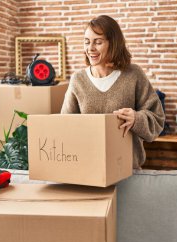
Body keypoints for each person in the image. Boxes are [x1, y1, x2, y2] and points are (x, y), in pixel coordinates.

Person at [61, 15, 165, 170]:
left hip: (128, 172)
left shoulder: (133, 75)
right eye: (87, 42)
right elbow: (64, 126)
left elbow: (157, 119)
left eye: (98, 42)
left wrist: (136, 119)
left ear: (113, 43)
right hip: (87, 170)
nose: (90, 48)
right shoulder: (78, 80)